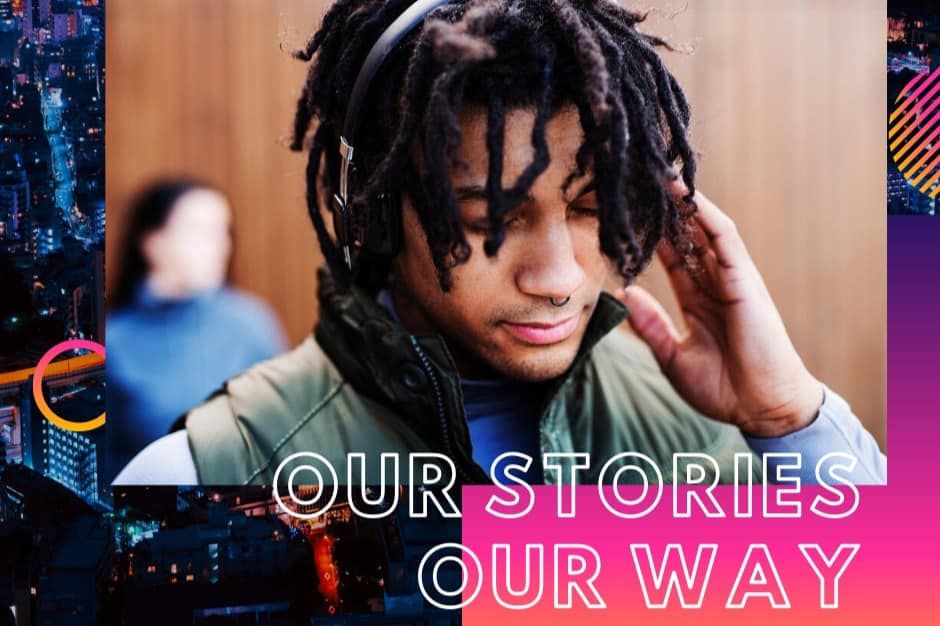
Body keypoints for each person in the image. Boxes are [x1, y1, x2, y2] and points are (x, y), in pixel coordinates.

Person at [114, 0, 885, 485]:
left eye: (589, 208)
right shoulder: (213, 469)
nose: (557, 279)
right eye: (489, 220)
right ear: (377, 216)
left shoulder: (717, 427)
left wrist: (790, 423)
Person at [107, 179, 285, 483]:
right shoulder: (112, 342)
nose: (220, 247)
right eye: (199, 232)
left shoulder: (250, 322)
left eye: (223, 232)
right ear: (153, 242)